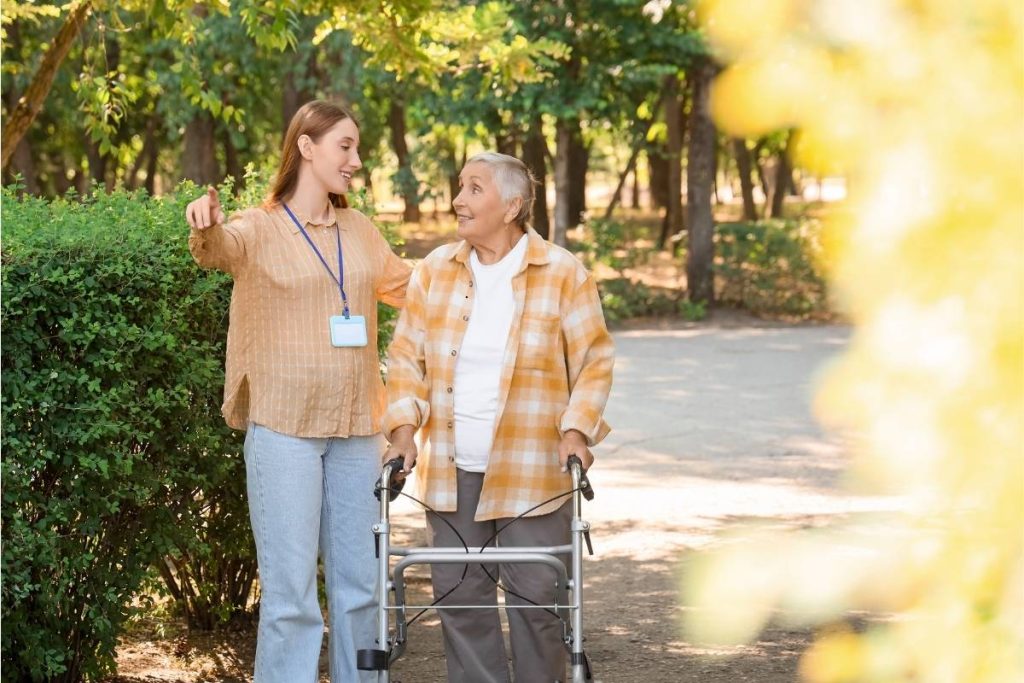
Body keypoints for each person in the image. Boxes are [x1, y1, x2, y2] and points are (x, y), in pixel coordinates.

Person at [184, 100, 411, 682]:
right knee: (290, 602)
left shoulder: (360, 231)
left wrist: (478, 257)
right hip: (284, 432)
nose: (356, 160)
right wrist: (204, 223)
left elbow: (414, 289)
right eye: (345, 146)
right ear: (306, 147)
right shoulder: (257, 228)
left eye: (358, 148)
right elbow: (219, 250)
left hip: (358, 429)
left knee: (361, 588)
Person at [382, 151, 614, 682]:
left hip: (531, 471)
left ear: (512, 205)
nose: (458, 199)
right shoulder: (435, 272)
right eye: (460, 186)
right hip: (451, 470)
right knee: (462, 600)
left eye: (474, 188)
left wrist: (576, 430)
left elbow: (594, 361)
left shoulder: (562, 273)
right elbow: (405, 360)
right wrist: (402, 432)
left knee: (538, 603)